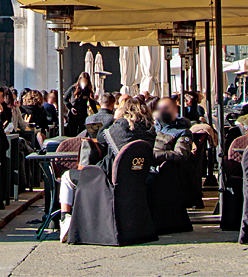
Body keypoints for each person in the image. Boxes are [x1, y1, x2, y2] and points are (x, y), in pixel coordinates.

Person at [58, 96, 156, 241]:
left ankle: (65, 220)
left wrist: (112, 119)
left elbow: (102, 138)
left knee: (67, 177)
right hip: (136, 179)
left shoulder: (122, 125)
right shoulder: (150, 130)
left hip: (109, 177)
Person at [152, 97, 193, 165]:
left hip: (164, 171)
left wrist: (155, 155)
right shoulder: (153, 128)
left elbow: (181, 155)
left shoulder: (182, 131)